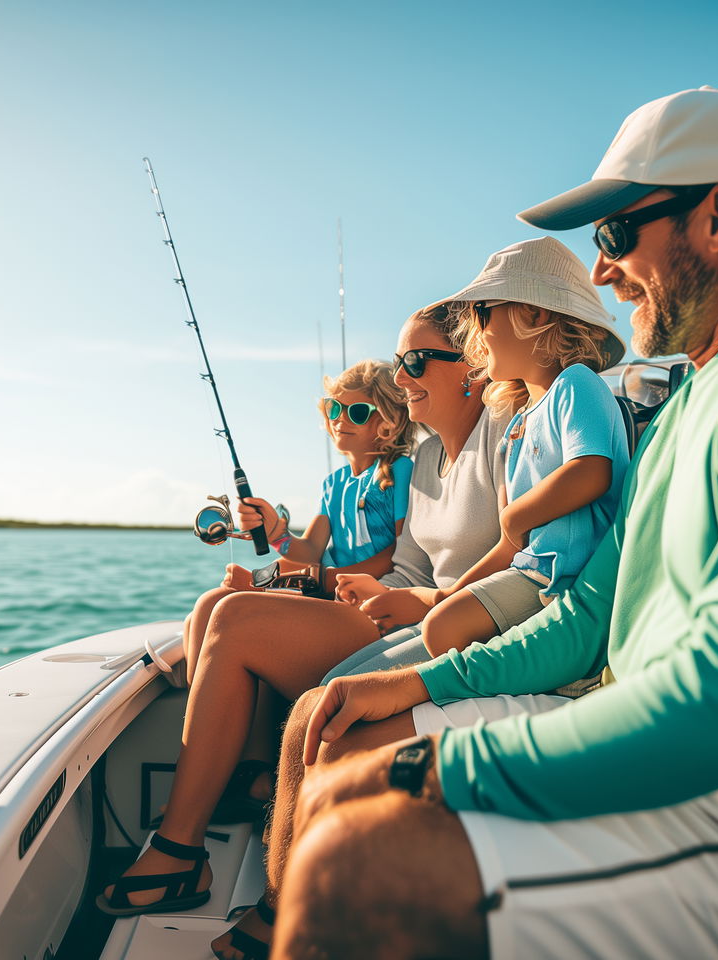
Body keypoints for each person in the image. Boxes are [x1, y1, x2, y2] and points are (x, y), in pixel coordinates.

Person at [266, 86, 718, 960]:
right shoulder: (698, 394)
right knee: (336, 729)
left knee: (353, 865)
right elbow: (593, 614)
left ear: (716, 216)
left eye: (616, 234)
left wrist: (440, 767)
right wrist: (418, 688)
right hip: (689, 760)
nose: (601, 271)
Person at [96, 303, 516, 931]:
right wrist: (324, 571)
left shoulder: (499, 440)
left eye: (415, 362)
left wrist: (377, 593)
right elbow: (400, 565)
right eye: (400, 365)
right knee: (221, 604)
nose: (403, 378)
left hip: (434, 626)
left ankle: (181, 848)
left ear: (471, 368)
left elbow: (514, 561)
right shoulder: (429, 461)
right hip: (387, 607)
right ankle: (230, 782)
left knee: (235, 619)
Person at [416, 239, 629, 658]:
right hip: (532, 575)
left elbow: (591, 471)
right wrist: (449, 595)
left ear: (533, 313)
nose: (473, 331)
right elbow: (511, 546)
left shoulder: (576, 383)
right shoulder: (517, 425)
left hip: (568, 582)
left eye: (481, 311)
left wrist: (514, 516)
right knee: (440, 622)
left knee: (442, 632)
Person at [183, 358, 415, 681]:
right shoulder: (333, 485)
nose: (339, 420)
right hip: (329, 588)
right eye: (335, 409)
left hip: (361, 599)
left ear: (389, 422)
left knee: (227, 604)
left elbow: (401, 555)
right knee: (207, 605)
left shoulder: (401, 472)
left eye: (357, 412)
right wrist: (276, 531)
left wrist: (325, 577)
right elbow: (309, 550)